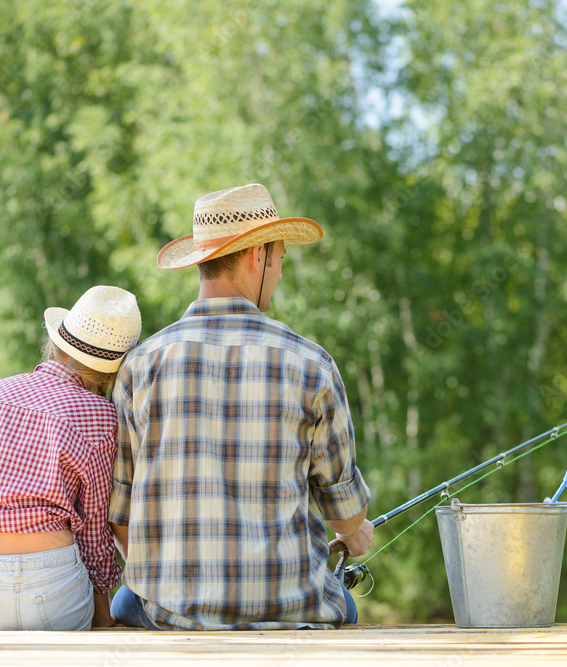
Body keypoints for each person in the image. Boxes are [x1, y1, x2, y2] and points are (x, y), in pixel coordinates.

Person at [108, 183, 373, 630]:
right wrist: (354, 533)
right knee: (347, 605)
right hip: (294, 609)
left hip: (172, 614)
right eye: (281, 259)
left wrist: (178, 585)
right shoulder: (312, 364)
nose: (282, 274)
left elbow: (122, 518)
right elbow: (346, 512)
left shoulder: (140, 365)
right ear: (258, 256)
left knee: (124, 604)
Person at [0, 286, 142, 631]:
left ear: (56, 345)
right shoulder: (101, 415)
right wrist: (102, 614)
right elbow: (95, 529)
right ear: (111, 372)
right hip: (56, 593)